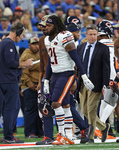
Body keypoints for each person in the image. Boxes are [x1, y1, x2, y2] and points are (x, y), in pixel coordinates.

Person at [43, 15, 94, 145]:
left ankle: (61, 135)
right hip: (55, 74)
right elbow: (50, 61)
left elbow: (76, 58)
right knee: (66, 106)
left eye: (49, 25)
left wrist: (83, 76)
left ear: (56, 25)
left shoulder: (64, 35)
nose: (46, 28)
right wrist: (47, 80)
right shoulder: (47, 40)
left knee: (55, 103)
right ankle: (70, 137)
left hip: (67, 74)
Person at [0, 22, 33, 144]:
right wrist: (25, 64)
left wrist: (21, 67)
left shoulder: (4, 43)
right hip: (9, 81)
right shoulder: (8, 43)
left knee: (14, 107)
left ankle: (9, 135)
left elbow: (10, 64)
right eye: (22, 35)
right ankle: (8, 137)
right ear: (17, 33)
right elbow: (10, 63)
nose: (22, 38)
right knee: (11, 108)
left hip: (6, 80)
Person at [77, 24, 110, 143]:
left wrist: (105, 85)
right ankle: (104, 127)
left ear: (97, 35)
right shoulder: (80, 48)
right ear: (86, 35)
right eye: (90, 34)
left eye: (95, 35)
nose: (92, 37)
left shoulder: (103, 48)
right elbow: (78, 66)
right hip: (82, 83)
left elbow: (106, 68)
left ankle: (90, 137)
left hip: (96, 83)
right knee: (85, 110)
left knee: (91, 110)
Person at [35, 15, 55, 145]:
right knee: (45, 105)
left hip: (61, 77)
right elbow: (42, 62)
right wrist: (40, 81)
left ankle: (79, 129)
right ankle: (48, 136)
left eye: (46, 26)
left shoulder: (61, 38)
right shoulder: (42, 40)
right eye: (42, 26)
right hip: (46, 79)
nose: (44, 28)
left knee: (64, 106)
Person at [20, 37, 44, 138]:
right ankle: (29, 132)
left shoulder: (39, 54)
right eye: (34, 44)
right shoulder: (26, 55)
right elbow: (23, 71)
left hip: (37, 85)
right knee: (30, 109)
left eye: (37, 44)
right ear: (29, 45)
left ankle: (38, 131)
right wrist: (29, 83)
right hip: (29, 85)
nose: (36, 46)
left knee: (39, 109)